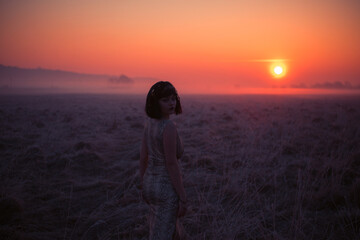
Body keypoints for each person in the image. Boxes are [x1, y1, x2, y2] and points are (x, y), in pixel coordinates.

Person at [140, 81, 187, 239]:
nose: (171, 103)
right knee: (163, 234)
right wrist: (182, 197)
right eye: (165, 100)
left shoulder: (149, 124)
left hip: (149, 185)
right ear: (155, 103)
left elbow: (143, 158)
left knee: (166, 231)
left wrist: (143, 184)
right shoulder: (168, 127)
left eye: (173, 98)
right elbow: (171, 164)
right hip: (165, 189)